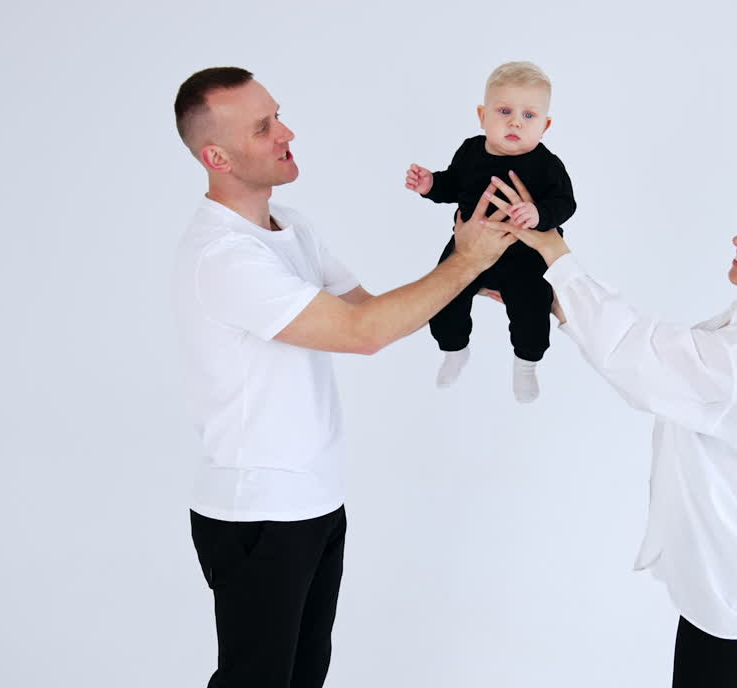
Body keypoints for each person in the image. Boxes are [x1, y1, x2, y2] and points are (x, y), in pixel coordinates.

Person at [170, 66, 515, 688]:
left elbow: (368, 311)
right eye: (264, 126)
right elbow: (365, 335)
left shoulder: (292, 226)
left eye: (278, 114)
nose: (286, 132)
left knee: (305, 676)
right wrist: (464, 264)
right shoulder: (225, 257)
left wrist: (472, 273)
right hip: (258, 515)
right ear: (216, 155)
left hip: (315, 502)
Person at [486, 175, 737, 688]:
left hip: (726, 600)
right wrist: (549, 299)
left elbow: (642, 357)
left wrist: (555, 252)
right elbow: (656, 363)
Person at [405, 61, 576, 402]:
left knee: (533, 310)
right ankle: (454, 349)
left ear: (546, 125)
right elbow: (452, 184)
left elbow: (565, 203)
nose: (515, 121)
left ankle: (526, 364)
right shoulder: (470, 151)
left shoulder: (546, 166)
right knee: (441, 298)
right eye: (504, 111)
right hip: (468, 248)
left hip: (523, 258)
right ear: (482, 116)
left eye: (529, 115)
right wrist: (431, 185)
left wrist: (539, 212)